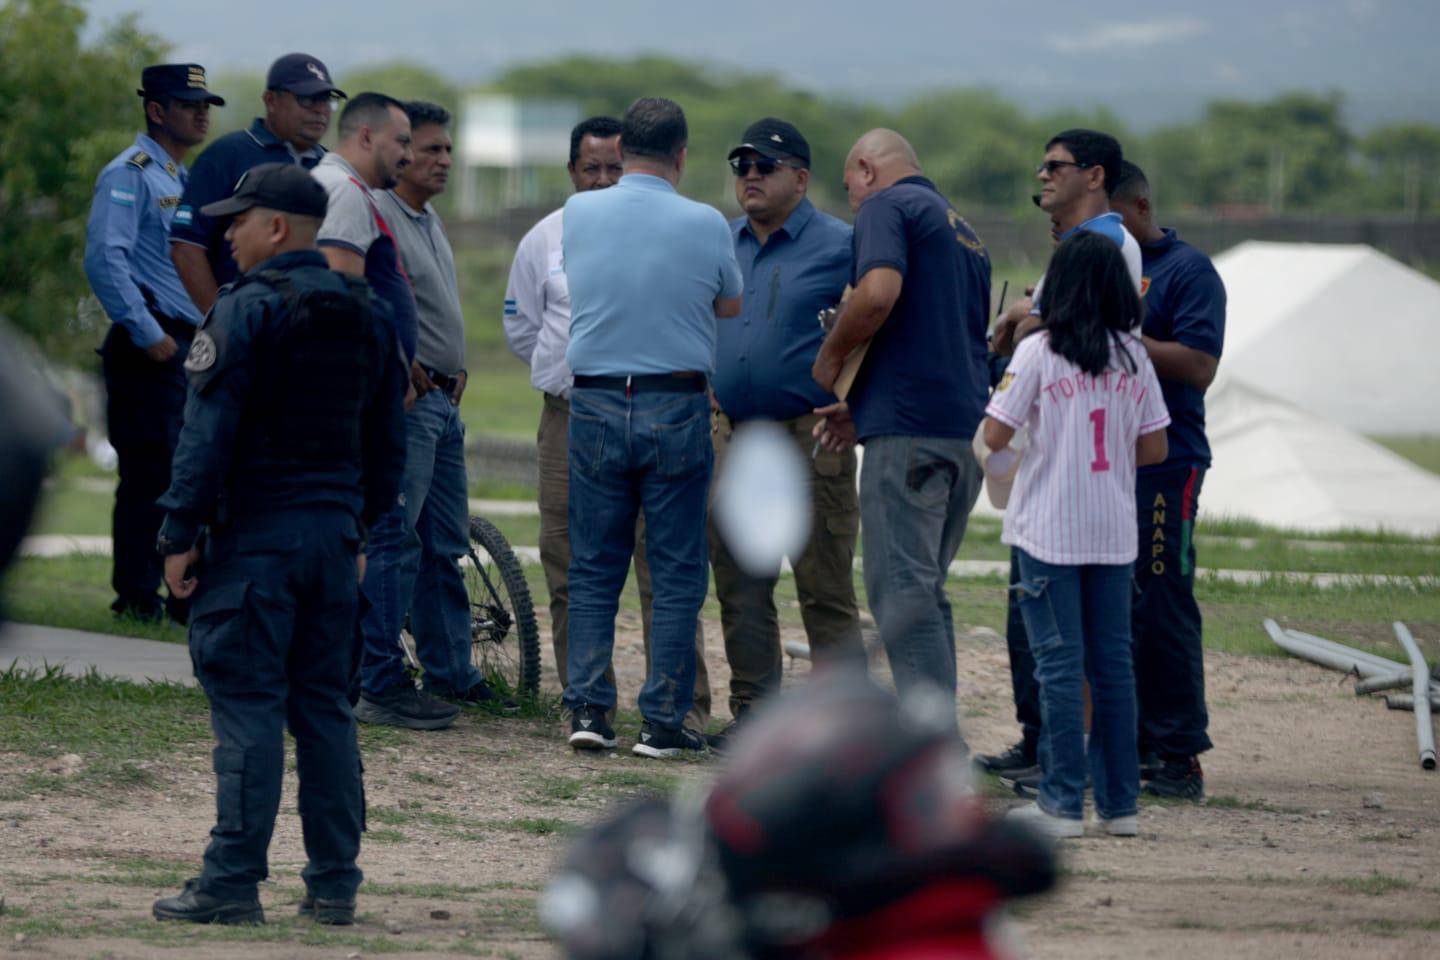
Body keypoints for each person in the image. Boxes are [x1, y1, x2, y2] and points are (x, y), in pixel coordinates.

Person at [151, 163, 407, 925]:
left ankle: (231, 882)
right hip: (332, 545)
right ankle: (335, 883)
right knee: (325, 709)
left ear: (277, 228)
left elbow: (206, 438)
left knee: (250, 707)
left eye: (238, 221)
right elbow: (387, 447)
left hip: (255, 545)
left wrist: (176, 534)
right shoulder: (370, 315)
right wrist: (356, 527)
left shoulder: (243, 312)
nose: (225, 235)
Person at [503, 117, 712, 733]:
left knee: (665, 565)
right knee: (570, 559)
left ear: (636, 168)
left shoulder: (667, 232)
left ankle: (681, 709)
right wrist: (568, 373)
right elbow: (524, 327)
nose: (601, 180)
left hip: (656, 410)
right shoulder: (545, 238)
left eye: (613, 168)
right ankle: (585, 704)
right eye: (590, 168)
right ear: (571, 172)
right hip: (572, 415)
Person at [559, 97, 742, 757]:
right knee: (674, 568)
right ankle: (663, 719)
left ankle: (587, 706)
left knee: (594, 564)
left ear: (624, 150)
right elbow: (730, 299)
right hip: (676, 401)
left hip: (598, 400)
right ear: (682, 155)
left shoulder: (579, 211)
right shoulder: (707, 221)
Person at [983, 231, 1171, 838]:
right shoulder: (1133, 355)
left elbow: (993, 435)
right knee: (1112, 666)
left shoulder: (1038, 352)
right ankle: (1120, 807)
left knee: (1059, 669)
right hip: (1113, 530)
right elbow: (1155, 445)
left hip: (1048, 531)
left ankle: (1061, 804)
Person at [976, 128, 1142, 784]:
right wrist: (1025, 314)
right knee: (1046, 628)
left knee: (1066, 641)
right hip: (1060, 462)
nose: (1041, 176)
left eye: (1055, 166)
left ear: (1095, 174)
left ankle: (1068, 765)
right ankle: (1048, 743)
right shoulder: (1081, 246)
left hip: (1068, 470)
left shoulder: (1102, 247)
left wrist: (1025, 321)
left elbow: (1084, 328)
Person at [811, 129, 990, 721]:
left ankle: (930, 748)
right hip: (959, 432)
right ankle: (936, 729)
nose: (853, 203)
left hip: (909, 437)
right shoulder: (964, 230)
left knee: (899, 591)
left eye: (849, 189)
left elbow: (879, 294)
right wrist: (863, 404)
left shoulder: (889, 205)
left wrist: (831, 357)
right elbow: (934, 339)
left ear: (866, 168)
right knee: (924, 594)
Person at [707, 118, 862, 748]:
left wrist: (857, 399)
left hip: (810, 431)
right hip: (737, 432)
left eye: (764, 166)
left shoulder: (841, 244)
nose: (749, 176)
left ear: (800, 177)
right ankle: (756, 718)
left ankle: (843, 729)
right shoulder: (722, 241)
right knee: (741, 583)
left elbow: (881, 323)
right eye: (741, 166)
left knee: (823, 582)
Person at [310, 92, 446, 728]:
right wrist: (388, 371)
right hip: (365, 399)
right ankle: (380, 680)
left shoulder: (352, 194)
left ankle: (357, 674)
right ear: (365, 137)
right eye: (401, 143)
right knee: (385, 533)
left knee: (385, 534)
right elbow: (343, 299)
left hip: (381, 393)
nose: (408, 154)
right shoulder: (342, 193)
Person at [369, 101, 510, 711]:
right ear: (398, 154)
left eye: (448, 150)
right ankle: (379, 680)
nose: (443, 160)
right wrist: (411, 368)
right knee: (395, 541)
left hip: (446, 402)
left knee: (444, 547)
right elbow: (371, 303)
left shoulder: (429, 219)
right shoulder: (380, 214)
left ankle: (453, 671)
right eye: (430, 149)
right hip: (411, 401)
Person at [84, 63, 224, 623]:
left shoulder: (186, 179)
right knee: (150, 473)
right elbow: (104, 258)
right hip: (154, 346)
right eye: (188, 104)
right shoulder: (131, 173)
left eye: (206, 104)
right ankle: (138, 596)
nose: (201, 113)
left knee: (192, 471)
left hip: (193, 343)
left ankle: (182, 595)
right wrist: (149, 334)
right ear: (156, 110)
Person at [1111, 161, 1225, 800]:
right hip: (1109, 464)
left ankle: (1181, 754)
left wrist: (1124, 338)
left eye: (1115, 221)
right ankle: (1134, 741)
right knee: (1119, 605)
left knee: (1163, 599)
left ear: (1141, 207)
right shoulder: (1095, 266)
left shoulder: (1188, 272)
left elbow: (1201, 365)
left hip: (1170, 462)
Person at [170, 53, 343, 314]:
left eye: (327, 100)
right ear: (271, 100)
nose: (320, 110)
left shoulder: (329, 166)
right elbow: (186, 247)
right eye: (307, 99)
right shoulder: (228, 154)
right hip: (247, 320)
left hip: (310, 325)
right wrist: (220, 319)